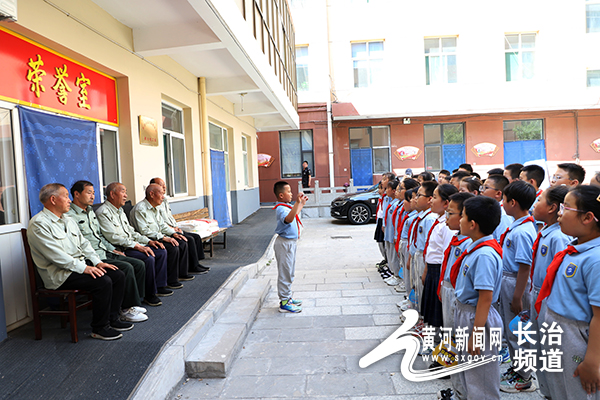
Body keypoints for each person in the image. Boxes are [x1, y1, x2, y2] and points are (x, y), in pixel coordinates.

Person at [27, 183, 131, 340]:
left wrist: (97, 262)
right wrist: (85, 268)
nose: (69, 200)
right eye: (66, 196)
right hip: (59, 275)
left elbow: (84, 244)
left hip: (77, 267)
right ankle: (99, 328)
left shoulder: (68, 219)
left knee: (117, 274)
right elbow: (56, 256)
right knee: (103, 281)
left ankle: (113, 319)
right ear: (53, 200)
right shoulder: (39, 223)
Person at [536, 185, 600, 400]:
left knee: (577, 392)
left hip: (576, 338)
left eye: (566, 208)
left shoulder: (595, 259)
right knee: (559, 389)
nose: (560, 214)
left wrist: (592, 361)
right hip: (557, 328)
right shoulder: (575, 249)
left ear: (588, 217)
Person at [67, 180, 148, 323]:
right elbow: (78, 244)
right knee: (126, 268)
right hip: (92, 257)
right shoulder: (69, 216)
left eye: (93, 193)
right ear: (76, 194)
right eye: (89, 193)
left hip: (104, 251)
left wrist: (112, 249)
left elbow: (99, 236)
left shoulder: (90, 211)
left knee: (137, 263)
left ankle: (133, 302)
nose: (92, 196)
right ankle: (125, 309)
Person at [450, 196, 503, 399]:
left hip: (477, 318)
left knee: (481, 378)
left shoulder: (484, 255)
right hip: (468, 314)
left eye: (462, 216)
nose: (459, 221)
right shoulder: (474, 248)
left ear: (472, 224)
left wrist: (477, 334)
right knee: (470, 371)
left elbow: (485, 298)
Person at [96, 182, 170, 307]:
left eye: (126, 192)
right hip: (119, 249)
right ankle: (148, 294)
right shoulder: (103, 212)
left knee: (159, 250)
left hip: (131, 244)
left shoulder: (120, 211)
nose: (126, 195)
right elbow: (113, 238)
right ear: (112, 194)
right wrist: (138, 246)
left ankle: (157, 287)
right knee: (148, 258)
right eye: (123, 192)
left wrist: (148, 241)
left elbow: (131, 232)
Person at [528, 185, 570, 398]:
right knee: (538, 347)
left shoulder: (559, 237)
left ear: (553, 207)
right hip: (537, 294)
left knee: (549, 347)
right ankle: (547, 391)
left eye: (539, 201)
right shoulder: (545, 231)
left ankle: (554, 392)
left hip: (549, 296)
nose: (534, 205)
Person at [498, 181, 538, 392]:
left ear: (513, 202)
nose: (502, 204)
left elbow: (524, 266)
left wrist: (517, 296)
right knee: (512, 328)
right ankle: (517, 367)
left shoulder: (522, 231)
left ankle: (524, 377)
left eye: (504, 200)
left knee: (519, 331)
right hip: (510, 281)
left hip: (516, 283)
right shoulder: (518, 225)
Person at [436, 191, 473, 400]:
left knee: (458, 340)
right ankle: (457, 386)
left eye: (450, 213)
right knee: (450, 335)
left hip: (460, 298)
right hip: (449, 291)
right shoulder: (457, 238)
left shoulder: (470, 244)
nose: (446, 217)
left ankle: (463, 391)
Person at [131, 184, 195, 290]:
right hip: (147, 240)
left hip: (158, 237)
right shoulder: (140, 209)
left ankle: (177, 276)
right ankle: (167, 281)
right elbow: (144, 231)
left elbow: (162, 225)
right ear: (152, 194)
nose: (163, 197)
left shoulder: (155, 208)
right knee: (171, 247)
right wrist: (164, 238)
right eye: (161, 193)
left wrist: (173, 233)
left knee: (181, 241)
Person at [421, 184, 458, 346]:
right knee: (432, 311)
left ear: (446, 203)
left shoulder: (448, 227)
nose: (431, 201)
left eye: (435, 197)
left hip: (441, 273)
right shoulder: (439, 222)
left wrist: (442, 280)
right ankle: (436, 342)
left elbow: (447, 256)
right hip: (433, 270)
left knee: (441, 315)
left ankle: (441, 346)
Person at [150, 177, 209, 274]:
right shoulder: (154, 203)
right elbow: (160, 223)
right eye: (161, 185)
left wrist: (175, 227)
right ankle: (191, 267)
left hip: (173, 228)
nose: (164, 187)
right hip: (166, 231)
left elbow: (169, 217)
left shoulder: (164, 201)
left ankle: (196, 263)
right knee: (188, 239)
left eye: (164, 185)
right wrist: (172, 229)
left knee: (196, 237)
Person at [273, 181, 307, 313]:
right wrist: (297, 203)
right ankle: (284, 302)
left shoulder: (286, 207)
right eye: (289, 191)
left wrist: (301, 204)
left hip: (290, 243)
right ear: (281, 195)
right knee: (285, 273)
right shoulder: (281, 208)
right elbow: (288, 219)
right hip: (284, 244)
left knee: (289, 271)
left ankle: (288, 297)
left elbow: (294, 215)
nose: (291, 194)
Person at [408, 181, 438, 317]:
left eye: (418, 195)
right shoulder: (423, 217)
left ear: (429, 199)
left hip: (424, 257)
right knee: (417, 286)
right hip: (418, 255)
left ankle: (422, 316)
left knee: (422, 287)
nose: (415, 199)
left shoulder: (430, 219)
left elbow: (429, 244)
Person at [480, 174, 513, 243]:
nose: (481, 191)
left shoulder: (503, 215)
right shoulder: (490, 209)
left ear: (498, 193)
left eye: (486, 188)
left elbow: (502, 242)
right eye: (482, 187)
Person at [383, 180, 400, 286]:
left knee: (395, 257)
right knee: (390, 255)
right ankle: (393, 273)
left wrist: (395, 235)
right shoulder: (391, 202)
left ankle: (398, 276)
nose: (385, 191)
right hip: (388, 234)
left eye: (387, 188)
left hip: (393, 235)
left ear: (393, 191)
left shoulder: (396, 205)